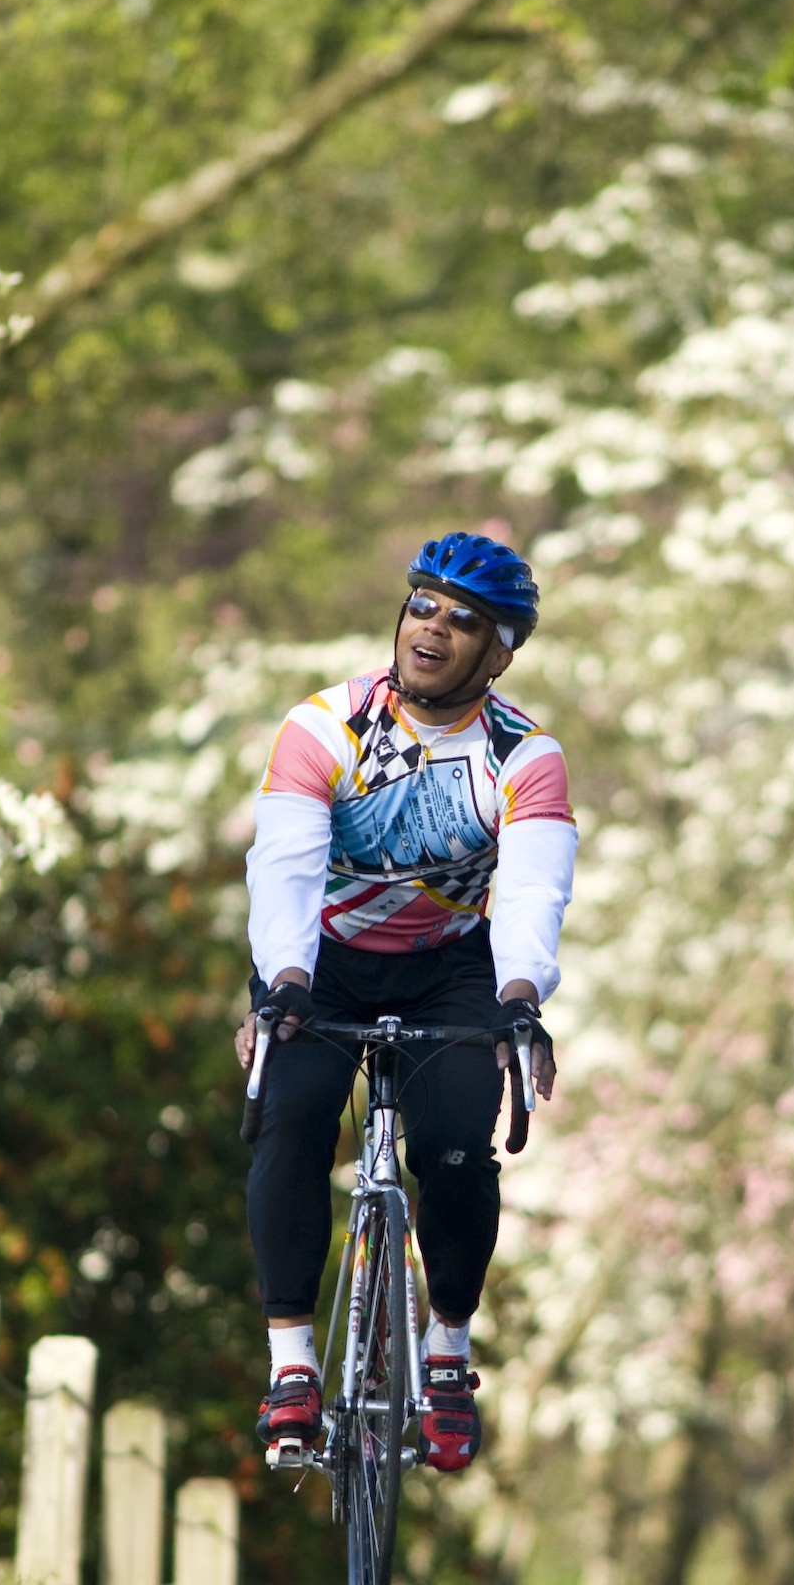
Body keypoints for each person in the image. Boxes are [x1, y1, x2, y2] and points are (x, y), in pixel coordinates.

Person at [238, 532, 574, 1473]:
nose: (432, 629)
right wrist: (283, 987)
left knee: (458, 1149)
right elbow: (287, 872)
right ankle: (294, 1363)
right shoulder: (323, 729)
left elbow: (535, 890)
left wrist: (519, 1000)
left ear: (500, 653)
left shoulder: (524, 756)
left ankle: (449, 1354)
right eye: (422, 605)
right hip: (323, 957)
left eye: (464, 621)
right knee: (293, 1114)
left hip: (452, 966)